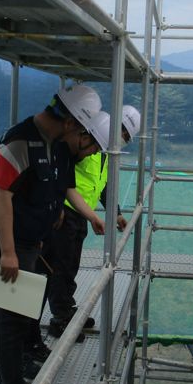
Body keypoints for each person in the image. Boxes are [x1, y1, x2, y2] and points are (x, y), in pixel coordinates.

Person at [0, 84, 106, 384]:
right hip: (10, 244)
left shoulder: (57, 147)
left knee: (13, 319)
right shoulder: (18, 142)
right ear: (71, 124)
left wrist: (88, 216)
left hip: (31, 242)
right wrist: (8, 252)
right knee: (10, 320)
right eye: (84, 132)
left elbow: (64, 188)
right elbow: (1, 196)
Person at [43, 105, 141, 340]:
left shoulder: (104, 151)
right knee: (61, 267)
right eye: (123, 133)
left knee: (71, 265)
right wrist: (91, 215)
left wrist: (115, 213)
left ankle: (67, 309)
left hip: (82, 214)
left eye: (127, 138)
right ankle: (60, 318)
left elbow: (102, 185)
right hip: (65, 212)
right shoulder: (84, 141)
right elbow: (62, 180)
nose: (123, 139)